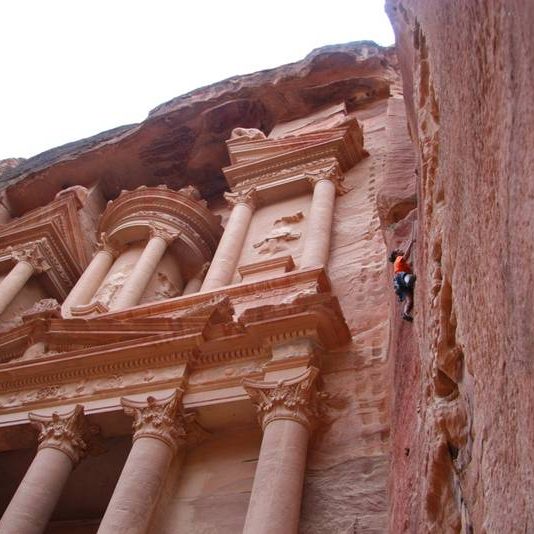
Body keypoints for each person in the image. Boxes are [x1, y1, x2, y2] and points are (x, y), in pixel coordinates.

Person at [388, 236, 416, 322]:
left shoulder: (399, 264)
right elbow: (405, 256)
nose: (400, 250)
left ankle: (406, 313)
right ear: (396, 255)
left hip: (399, 285)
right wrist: (411, 243)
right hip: (401, 278)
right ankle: (409, 281)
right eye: (398, 251)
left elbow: (406, 264)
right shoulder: (398, 259)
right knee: (408, 277)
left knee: (409, 300)